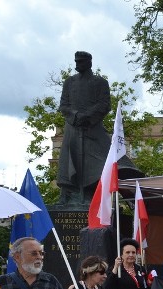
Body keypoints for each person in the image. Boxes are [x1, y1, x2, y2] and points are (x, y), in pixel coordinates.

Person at [56, 51, 112, 205]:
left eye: (80, 62)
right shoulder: (69, 82)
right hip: (72, 127)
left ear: (89, 63)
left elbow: (104, 103)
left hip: (92, 128)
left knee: (95, 162)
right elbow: (64, 105)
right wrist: (75, 116)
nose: (77, 65)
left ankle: (90, 194)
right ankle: (67, 195)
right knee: (69, 160)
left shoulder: (100, 82)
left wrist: (87, 116)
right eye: (76, 61)